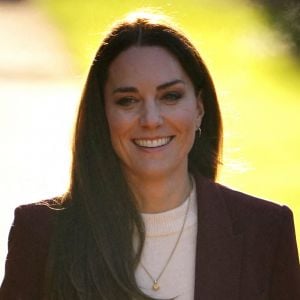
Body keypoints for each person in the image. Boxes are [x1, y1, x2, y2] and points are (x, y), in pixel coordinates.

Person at [0, 12, 299, 300]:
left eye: (170, 96)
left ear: (199, 108)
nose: (151, 119)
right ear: (102, 115)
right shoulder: (41, 233)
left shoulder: (266, 230)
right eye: (128, 101)